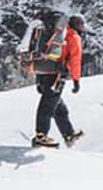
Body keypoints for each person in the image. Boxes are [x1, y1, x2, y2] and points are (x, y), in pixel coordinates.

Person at [28, 13, 85, 148]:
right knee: (48, 103)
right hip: (56, 75)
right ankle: (41, 135)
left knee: (57, 105)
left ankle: (68, 133)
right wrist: (76, 80)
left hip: (44, 72)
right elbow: (75, 60)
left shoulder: (57, 33)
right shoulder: (73, 37)